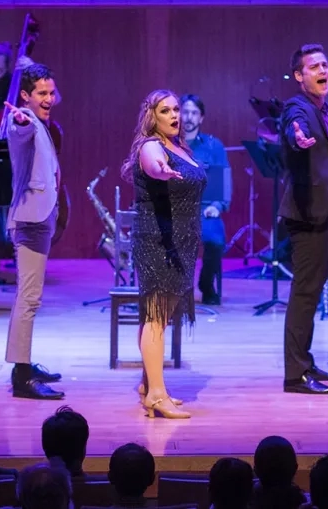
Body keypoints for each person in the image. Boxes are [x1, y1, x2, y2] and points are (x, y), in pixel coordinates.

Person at [120, 89, 206, 419]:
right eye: (165, 111)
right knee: (156, 317)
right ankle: (157, 395)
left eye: (176, 110)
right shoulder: (151, 146)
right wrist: (161, 170)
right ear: (152, 117)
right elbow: (153, 164)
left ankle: (149, 384)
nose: (174, 116)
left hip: (181, 243)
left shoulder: (179, 147)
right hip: (159, 241)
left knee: (158, 317)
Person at [278, 43, 328, 395]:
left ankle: (304, 362)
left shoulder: (323, 110)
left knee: (311, 292)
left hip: (325, 213)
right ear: (299, 76)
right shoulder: (298, 108)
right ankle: (295, 375)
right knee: (305, 293)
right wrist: (297, 137)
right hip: (307, 215)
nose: (323, 71)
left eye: (325, 65)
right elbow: (294, 126)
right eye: (314, 67)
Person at [3, 59, 65, 401]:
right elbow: (19, 128)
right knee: (28, 298)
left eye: (51, 92)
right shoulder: (23, 121)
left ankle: (24, 365)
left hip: (40, 219)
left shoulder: (43, 122)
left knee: (30, 297)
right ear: (25, 96)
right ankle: (22, 377)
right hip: (30, 221)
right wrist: (21, 120)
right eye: (41, 93)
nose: (49, 99)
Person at [181, 93, 231, 305]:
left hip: (204, 209)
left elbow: (224, 180)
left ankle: (206, 283)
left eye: (194, 113)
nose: (189, 117)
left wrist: (218, 205)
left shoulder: (213, 146)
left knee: (215, 240)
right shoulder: (167, 144)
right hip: (175, 210)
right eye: (185, 112)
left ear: (201, 118)